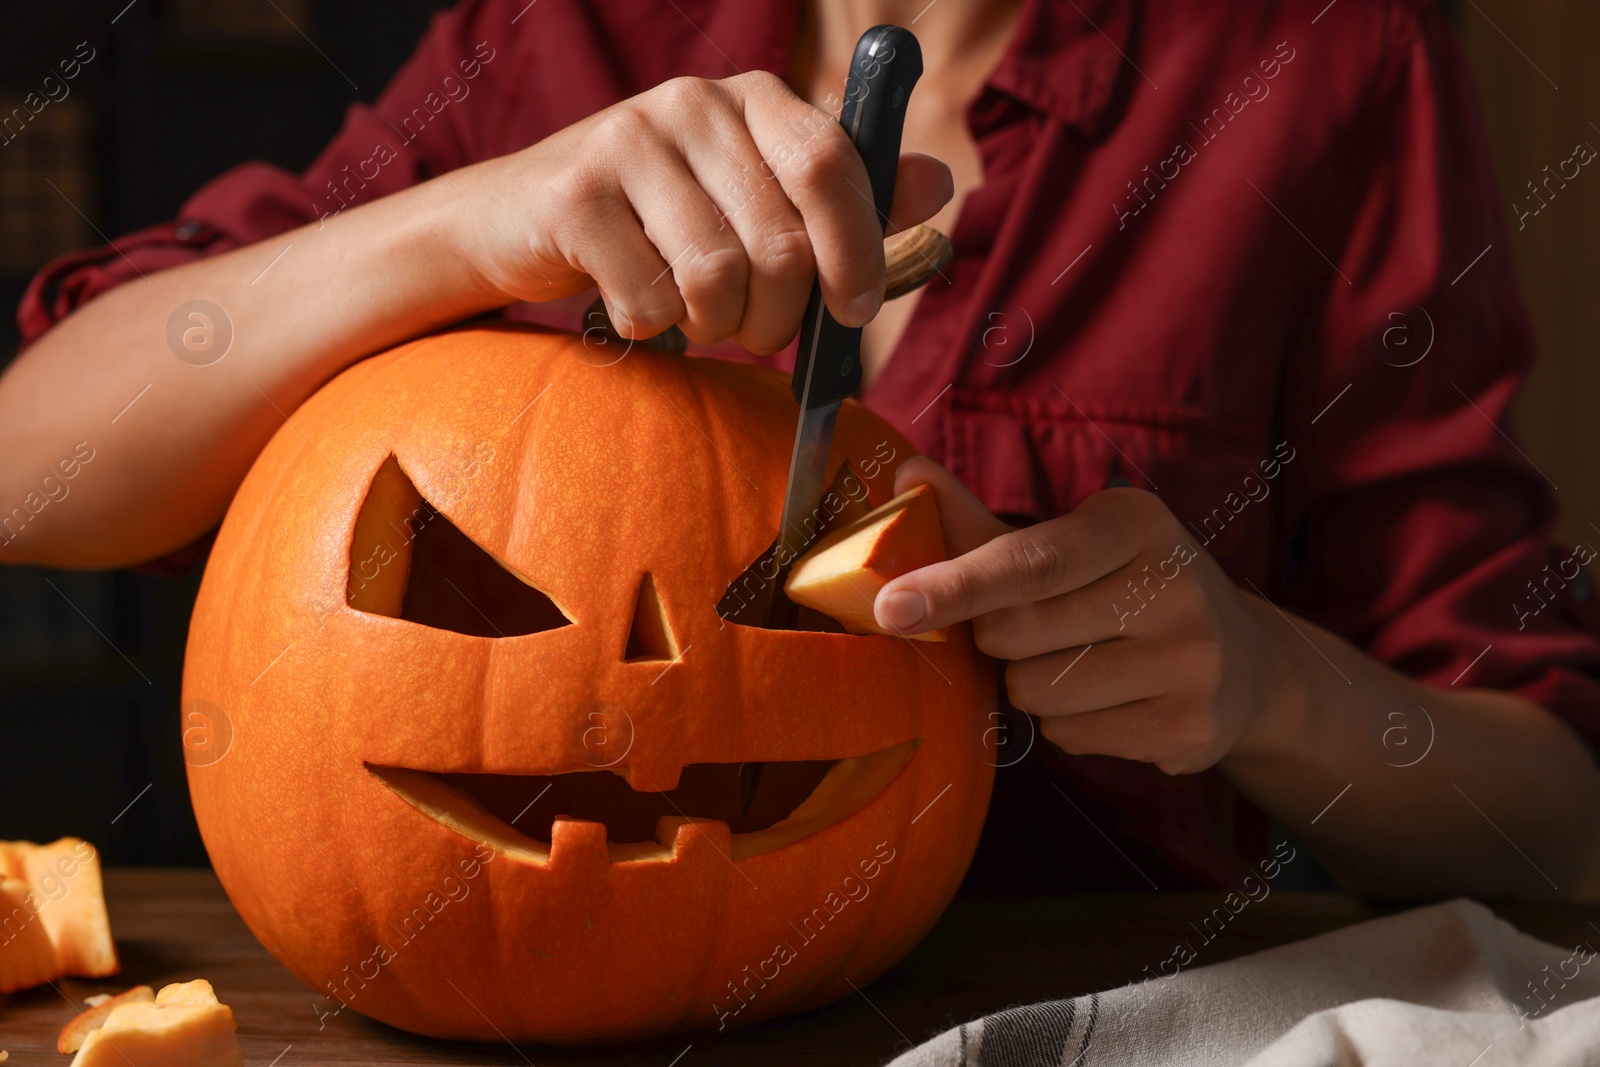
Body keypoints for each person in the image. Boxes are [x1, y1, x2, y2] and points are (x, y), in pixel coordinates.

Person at [2, 0, 1597, 900]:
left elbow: (1561, 818)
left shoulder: (1325, 59)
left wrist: (1263, 684)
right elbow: (28, 464)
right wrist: (464, 227)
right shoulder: (565, 35)